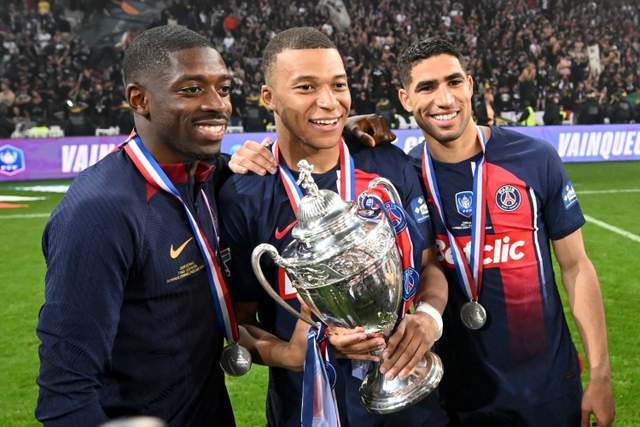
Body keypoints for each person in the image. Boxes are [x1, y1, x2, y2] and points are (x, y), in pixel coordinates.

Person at [218, 27, 448, 427]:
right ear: (268, 97)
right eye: (306, 87)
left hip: (414, 404)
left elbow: (429, 263)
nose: (329, 102)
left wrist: (429, 316)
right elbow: (238, 323)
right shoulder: (244, 195)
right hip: (308, 411)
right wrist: (291, 354)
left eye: (338, 85)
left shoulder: (388, 164)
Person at [35, 25, 249, 426]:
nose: (217, 104)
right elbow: (65, 390)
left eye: (223, 89)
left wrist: (348, 130)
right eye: (191, 89)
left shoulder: (207, 175)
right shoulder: (100, 212)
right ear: (140, 99)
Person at [395, 37, 614, 426]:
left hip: (547, 387)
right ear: (405, 99)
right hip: (456, 392)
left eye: (454, 82)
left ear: (470, 85)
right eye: (426, 87)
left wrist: (600, 374)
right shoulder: (405, 177)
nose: (444, 99)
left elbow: (577, 266)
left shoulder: (534, 159)